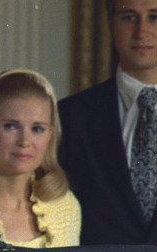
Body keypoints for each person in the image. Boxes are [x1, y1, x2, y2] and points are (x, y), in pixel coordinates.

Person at [58, 0, 157, 245]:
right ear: (110, 23)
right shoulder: (70, 116)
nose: (141, 31)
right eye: (129, 17)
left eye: (154, 17)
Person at [0, 69, 81, 248]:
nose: (24, 141)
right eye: (11, 126)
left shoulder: (65, 207)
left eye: (37, 129)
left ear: (50, 134)